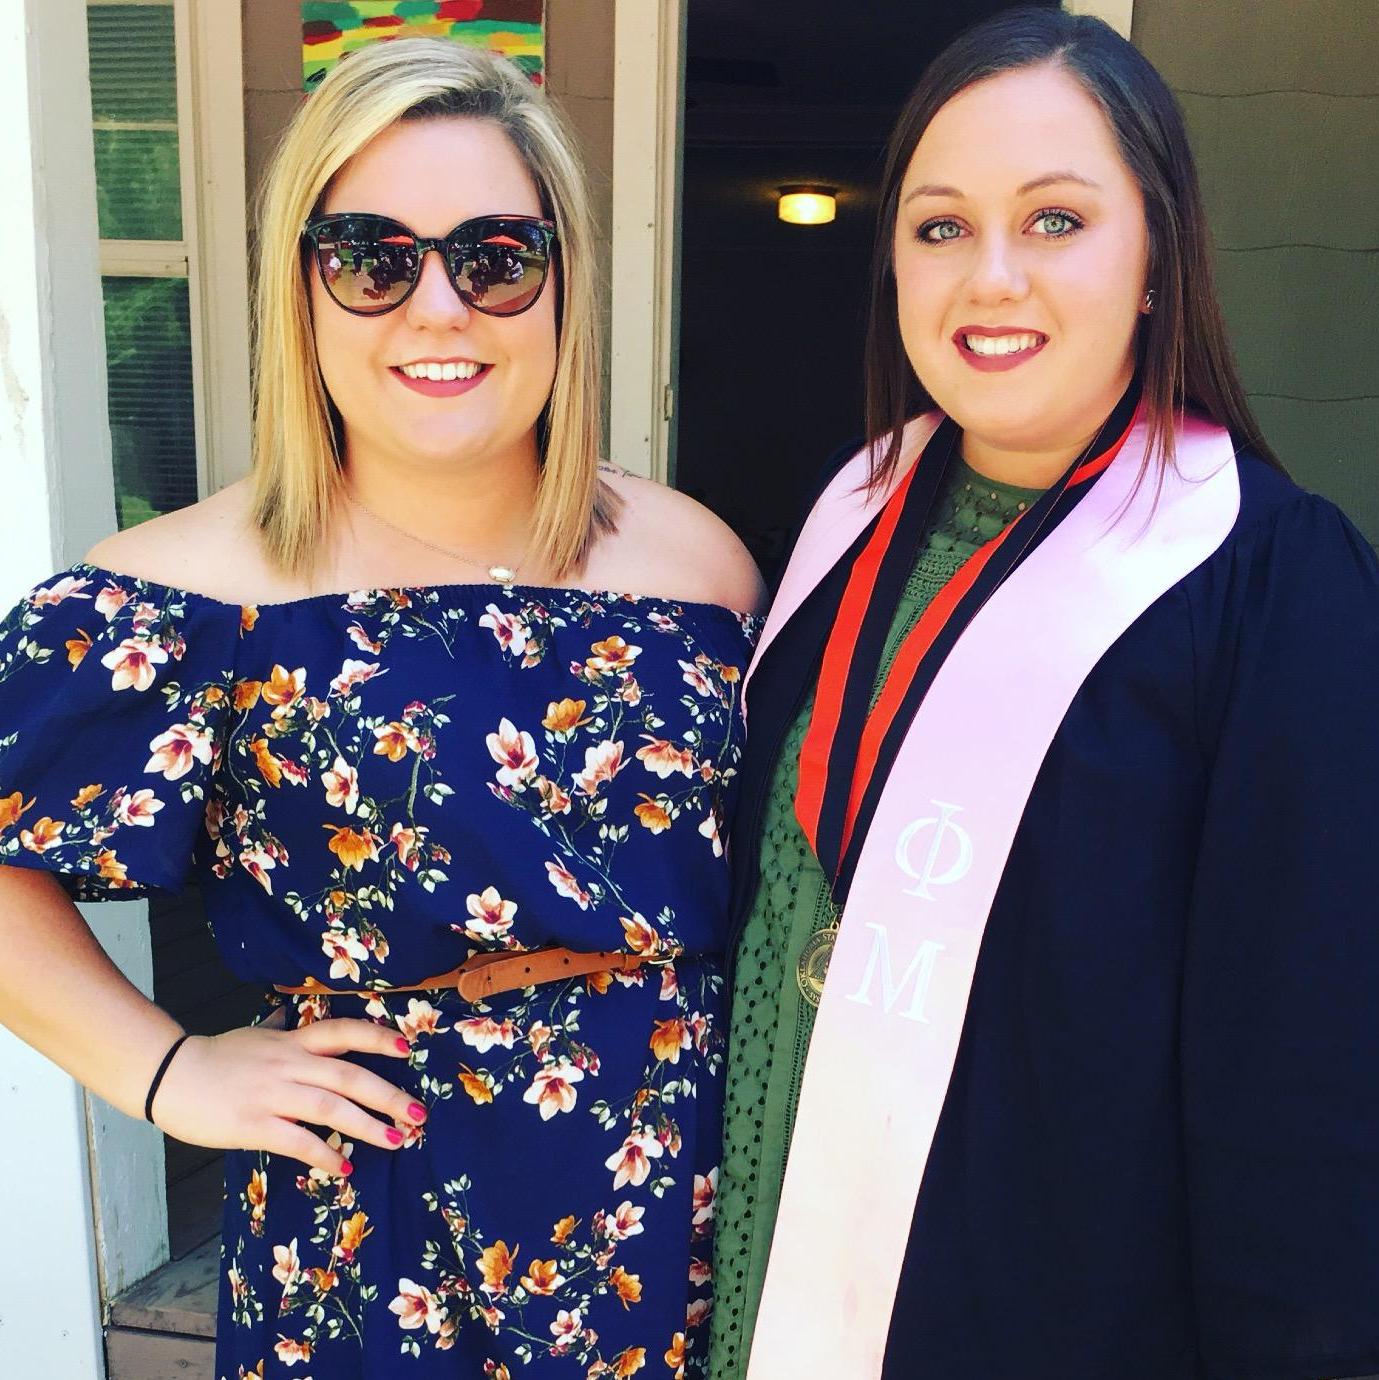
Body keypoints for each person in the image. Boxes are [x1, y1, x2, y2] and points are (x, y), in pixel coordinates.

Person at [0, 38, 763, 1379]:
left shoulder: (695, 567)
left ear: (564, 284)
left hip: (682, 1207)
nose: (439, 309)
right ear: (301, 290)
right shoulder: (185, 595)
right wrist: (168, 1073)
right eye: (371, 259)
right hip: (374, 1230)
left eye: (496, 258)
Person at [708, 8, 1379, 1379]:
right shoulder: (855, 510)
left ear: (1156, 259)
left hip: (1030, 1318)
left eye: (1056, 221)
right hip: (762, 1270)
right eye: (941, 227)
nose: (990, 277)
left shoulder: (1271, 585)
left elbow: (1298, 1088)